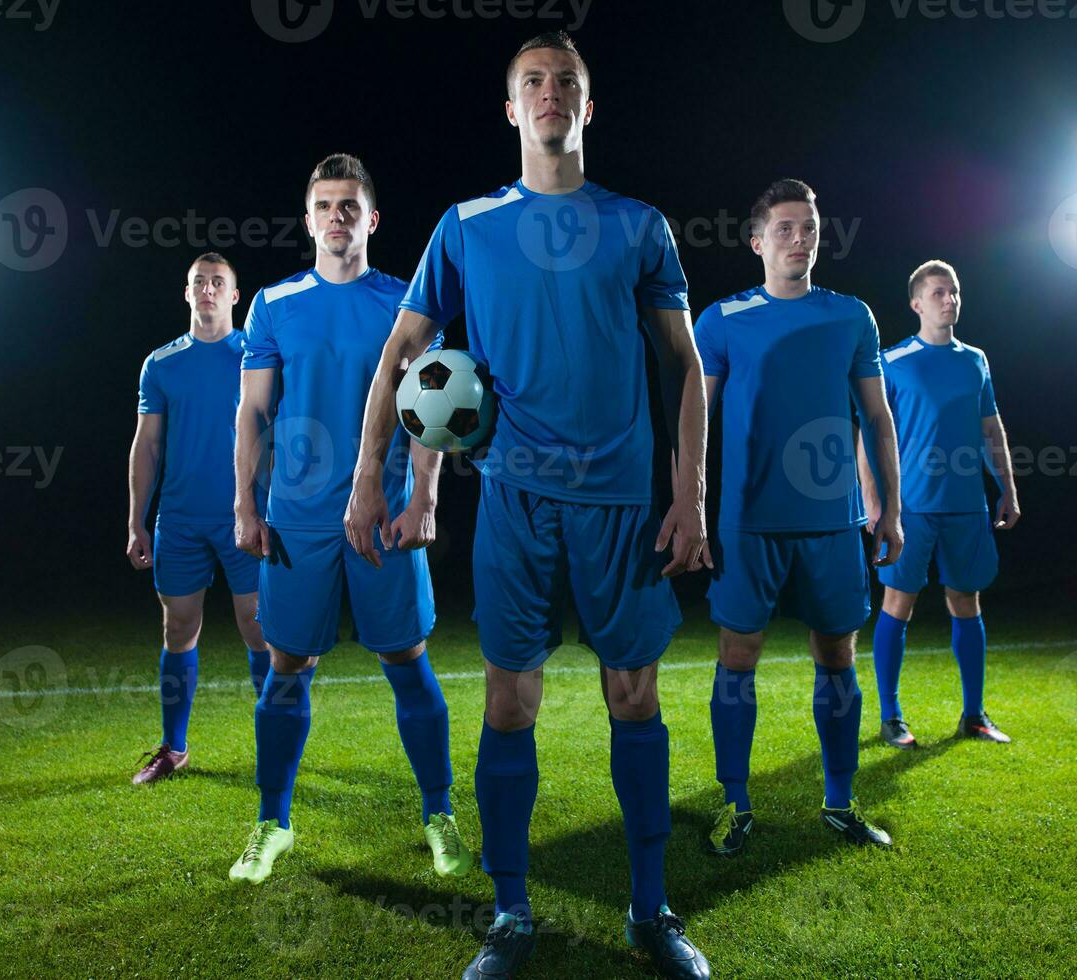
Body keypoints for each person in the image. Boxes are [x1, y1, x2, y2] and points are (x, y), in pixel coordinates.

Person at [346, 32, 712, 980]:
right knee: (510, 703)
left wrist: (689, 496)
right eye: (533, 83)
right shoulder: (465, 226)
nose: (551, 94)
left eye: (568, 84)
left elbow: (686, 369)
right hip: (513, 500)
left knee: (633, 694)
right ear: (511, 110)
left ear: (589, 108)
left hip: (625, 504)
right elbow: (403, 358)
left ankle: (649, 909)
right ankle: (510, 917)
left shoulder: (638, 225)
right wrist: (368, 475)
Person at [226, 154, 471, 885]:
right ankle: (272, 824)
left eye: (349, 206)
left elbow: (434, 407)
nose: (337, 217)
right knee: (286, 668)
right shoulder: (273, 303)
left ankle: (438, 814)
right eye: (325, 206)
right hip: (296, 519)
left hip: (387, 514)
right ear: (308, 220)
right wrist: (243, 502)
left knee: (405, 659)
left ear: (371, 219)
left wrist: (425, 497)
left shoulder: (406, 304)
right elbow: (252, 412)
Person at [694, 179, 903, 858]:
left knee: (837, 657)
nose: (798, 239)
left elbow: (876, 417)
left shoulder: (852, 317)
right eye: (783, 228)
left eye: (808, 227)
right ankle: (734, 803)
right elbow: (694, 418)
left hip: (831, 522)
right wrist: (688, 506)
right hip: (745, 521)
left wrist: (888, 509)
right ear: (756, 241)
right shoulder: (723, 318)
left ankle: (839, 802)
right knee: (737, 657)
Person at [860, 259, 1019, 749]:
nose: (949, 300)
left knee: (966, 602)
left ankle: (974, 715)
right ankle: (891, 718)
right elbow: (866, 434)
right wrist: (874, 500)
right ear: (916, 303)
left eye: (953, 292)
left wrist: (1008, 488)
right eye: (938, 293)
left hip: (967, 505)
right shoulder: (893, 361)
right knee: (897, 603)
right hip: (910, 510)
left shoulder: (975, 360)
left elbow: (991, 430)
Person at [127, 252, 269, 785]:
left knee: (259, 631)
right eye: (198, 282)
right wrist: (136, 519)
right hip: (181, 520)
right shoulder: (161, 364)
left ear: (235, 296)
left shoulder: (256, 355)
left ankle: (274, 744)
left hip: (245, 516)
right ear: (187, 293)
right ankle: (174, 748)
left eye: (218, 282)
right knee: (178, 628)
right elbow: (148, 445)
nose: (207, 289)